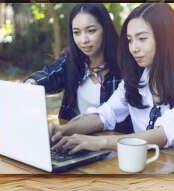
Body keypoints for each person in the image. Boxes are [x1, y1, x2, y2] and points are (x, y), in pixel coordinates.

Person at [51, 3, 174, 174]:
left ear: (165, 38)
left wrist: (99, 142)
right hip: (145, 171)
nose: (134, 48)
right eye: (130, 40)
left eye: (142, 38)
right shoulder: (134, 79)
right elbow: (105, 114)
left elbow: (163, 135)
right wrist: (62, 130)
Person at [24, 3, 133, 134]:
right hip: (70, 140)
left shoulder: (125, 65)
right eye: (76, 32)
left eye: (91, 30)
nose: (83, 40)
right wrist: (30, 84)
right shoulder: (71, 59)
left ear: (105, 29)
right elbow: (48, 75)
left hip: (112, 144)